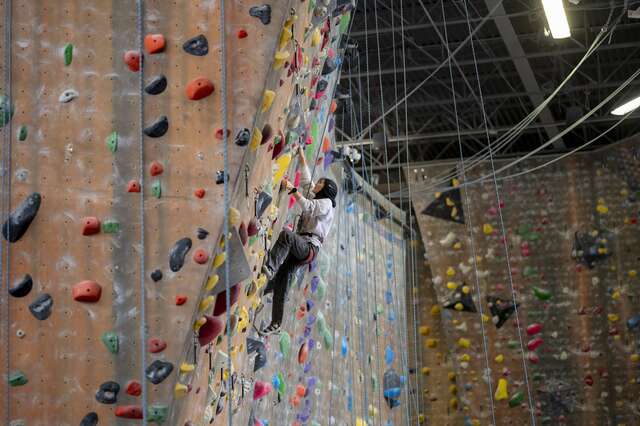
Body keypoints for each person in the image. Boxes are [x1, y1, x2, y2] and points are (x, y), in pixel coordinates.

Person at [259, 146, 338, 336]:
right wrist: (302, 156)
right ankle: (276, 322)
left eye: (320, 183)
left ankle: (270, 266)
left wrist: (291, 189)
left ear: (326, 189)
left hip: (308, 247)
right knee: (283, 280)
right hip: (304, 247)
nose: (316, 184)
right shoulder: (320, 199)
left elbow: (309, 206)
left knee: (286, 235)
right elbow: (306, 181)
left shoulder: (326, 204)